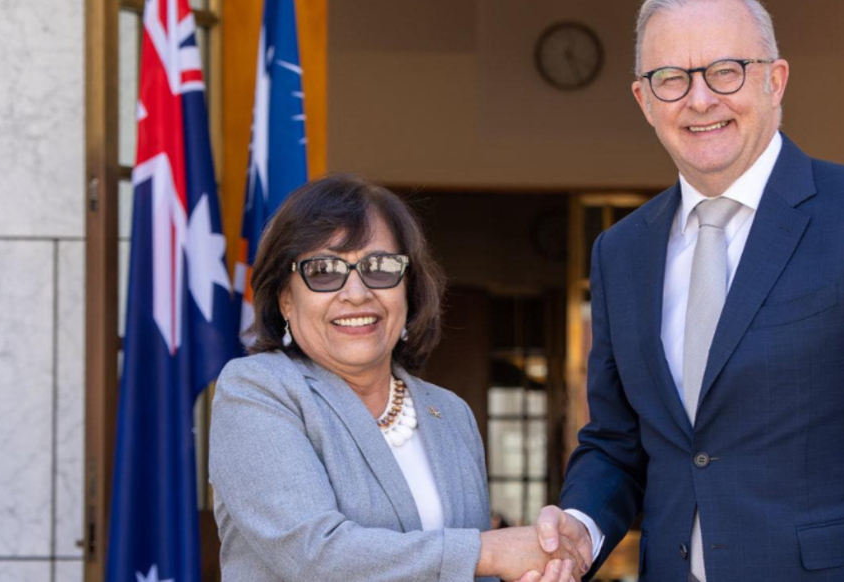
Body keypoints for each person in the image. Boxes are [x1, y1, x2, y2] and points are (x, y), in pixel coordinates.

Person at [532, 0, 844, 581]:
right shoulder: (621, 251)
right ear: (644, 99)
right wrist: (580, 530)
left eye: (727, 70)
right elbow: (616, 441)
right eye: (672, 78)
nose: (700, 99)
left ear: (776, 80)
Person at [209, 176, 584, 581]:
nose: (356, 293)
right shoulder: (257, 390)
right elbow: (313, 557)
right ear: (286, 298)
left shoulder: (450, 413)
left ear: (408, 288)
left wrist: (536, 565)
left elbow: (470, 572)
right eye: (323, 270)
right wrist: (490, 551)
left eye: (379, 267)